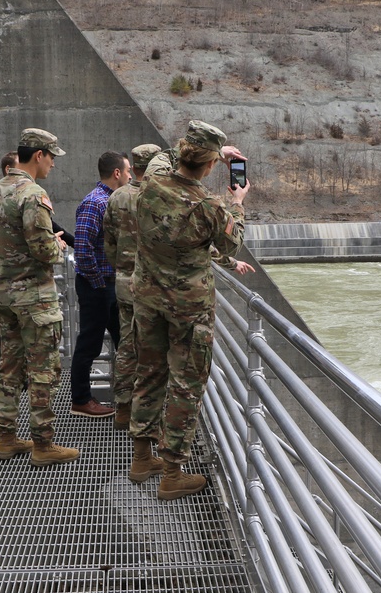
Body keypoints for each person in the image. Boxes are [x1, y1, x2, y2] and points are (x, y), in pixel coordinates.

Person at [129, 121, 248, 499]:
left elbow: (162, 161)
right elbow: (230, 247)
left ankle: (141, 459)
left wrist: (207, 148)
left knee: (149, 372)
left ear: (181, 152)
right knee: (186, 384)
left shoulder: (148, 184)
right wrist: (237, 202)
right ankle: (172, 473)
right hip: (188, 308)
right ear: (212, 165)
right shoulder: (209, 206)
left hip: (148, 298)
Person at [0, 128, 79, 466]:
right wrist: (59, 244)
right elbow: (43, 250)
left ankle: (6, 439)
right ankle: (43, 444)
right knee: (43, 370)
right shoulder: (32, 193)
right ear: (39, 155)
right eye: (52, 157)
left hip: (4, 296)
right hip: (34, 299)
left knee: (9, 365)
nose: (53, 164)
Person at [0, 152, 74, 376]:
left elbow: (50, 226)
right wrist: (60, 245)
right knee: (37, 356)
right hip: (27, 287)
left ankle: (5, 392)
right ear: (9, 170)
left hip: (5, 285)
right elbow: (44, 246)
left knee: (12, 348)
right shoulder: (27, 194)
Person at [102, 143, 162, 435]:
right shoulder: (158, 197)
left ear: (134, 167)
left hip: (124, 282)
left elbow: (109, 241)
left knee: (126, 344)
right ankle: (148, 415)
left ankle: (123, 408)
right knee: (152, 348)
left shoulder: (117, 196)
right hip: (151, 285)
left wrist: (121, 268)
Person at [69, 151, 131, 418]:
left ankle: (127, 400)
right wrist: (98, 283)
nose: (130, 176)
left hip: (109, 285)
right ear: (116, 173)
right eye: (128, 171)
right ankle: (81, 400)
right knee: (89, 344)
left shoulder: (111, 201)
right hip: (98, 285)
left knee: (126, 341)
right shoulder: (95, 203)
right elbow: (82, 249)